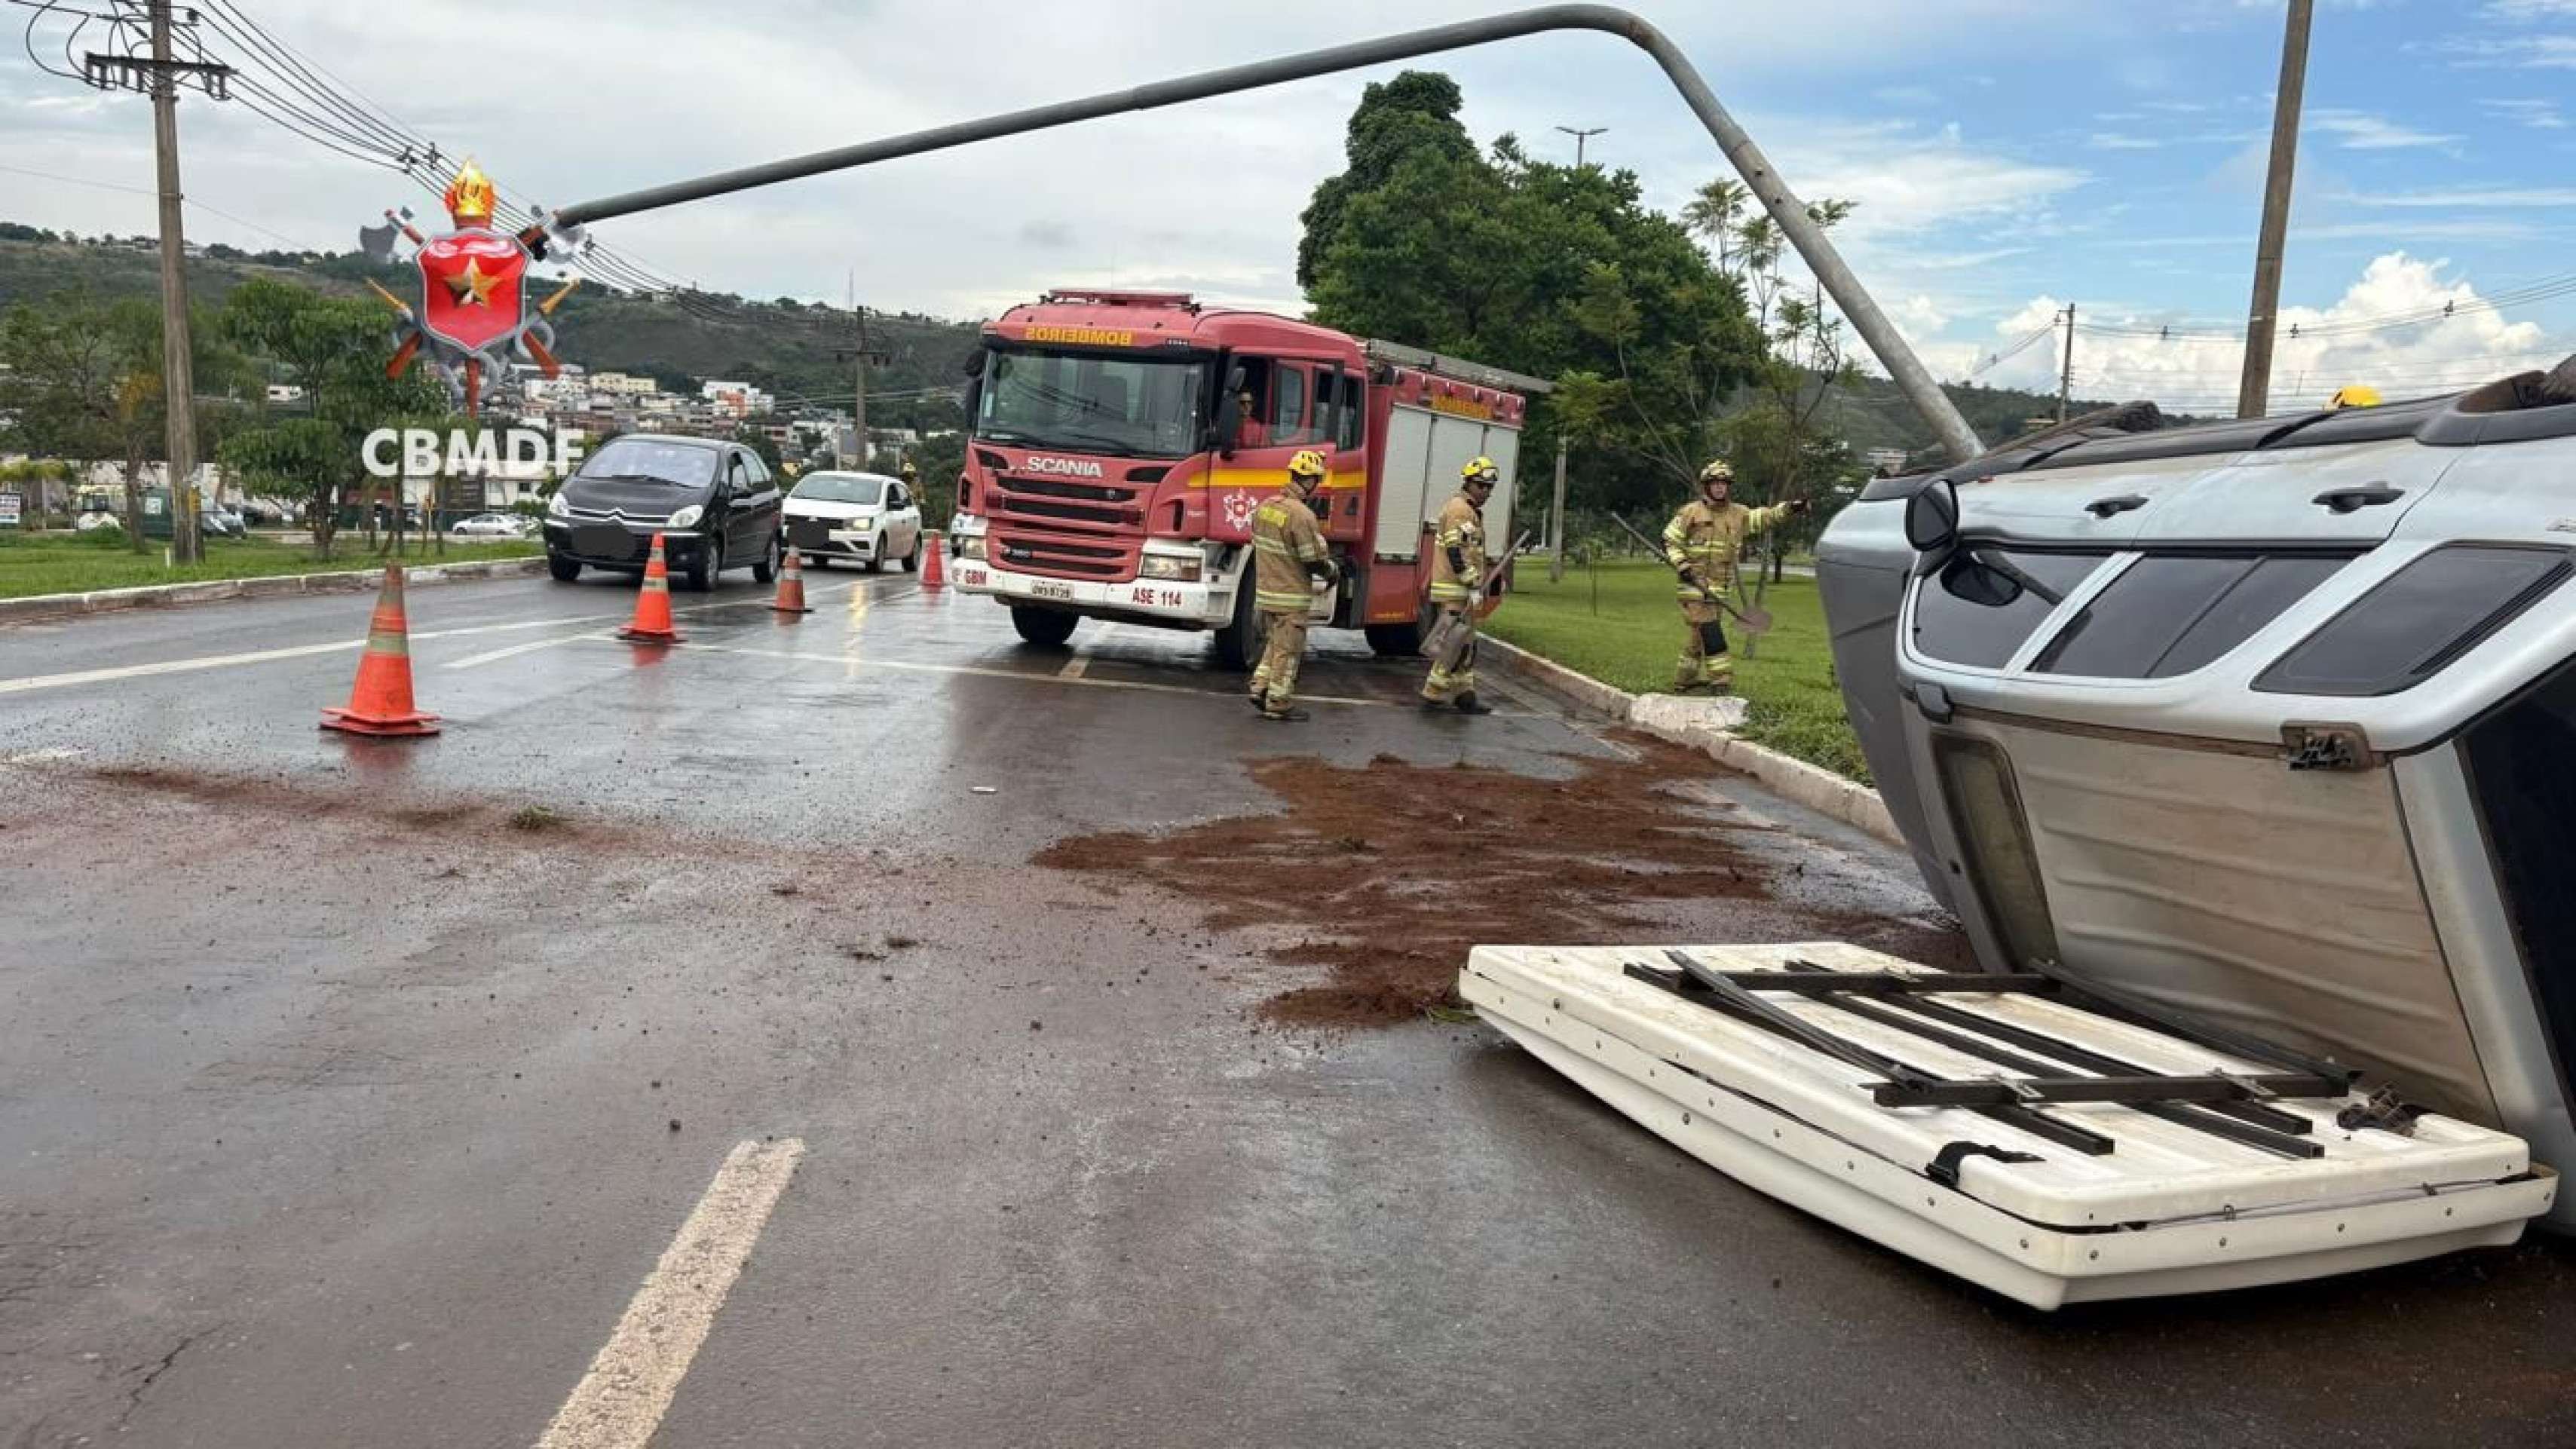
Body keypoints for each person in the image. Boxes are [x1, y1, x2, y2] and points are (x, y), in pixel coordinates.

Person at [1662, 459, 1807, 695]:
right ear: (1706, 487)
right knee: (1710, 630)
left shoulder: (1739, 514)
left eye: (1724, 484)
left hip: (1720, 587)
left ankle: (1683, 680)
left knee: (1698, 635)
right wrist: (1682, 564)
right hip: (1693, 585)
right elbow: (1670, 540)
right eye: (1715, 483)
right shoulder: (1690, 512)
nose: (1720, 488)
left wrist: (1791, 508)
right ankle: (1721, 679)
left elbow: (1766, 517)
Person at [1246, 449, 1336, 721]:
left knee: (1275, 644)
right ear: (1310, 481)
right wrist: (1332, 570)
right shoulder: (1302, 515)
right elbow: (1312, 559)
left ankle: (1260, 687)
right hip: (1291, 596)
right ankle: (1279, 701)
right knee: (1289, 650)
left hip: (1266, 592)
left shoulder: (1265, 507)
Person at [1420, 455, 1499, 715]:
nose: (1485, 492)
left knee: (1465, 643)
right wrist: (1472, 583)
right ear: (1468, 483)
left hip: (1463, 589)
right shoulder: (1460, 510)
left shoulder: (1468, 509)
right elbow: (1456, 551)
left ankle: (1465, 695)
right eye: (1481, 486)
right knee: (1454, 642)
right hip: (1457, 589)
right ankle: (1433, 693)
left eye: (1489, 488)